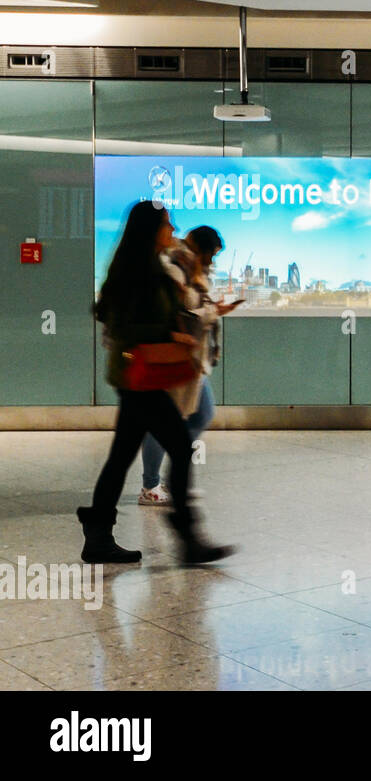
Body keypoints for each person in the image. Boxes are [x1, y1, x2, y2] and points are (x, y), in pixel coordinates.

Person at [80, 201, 234, 565]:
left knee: (121, 457)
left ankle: (98, 532)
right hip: (140, 376)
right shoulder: (140, 272)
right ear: (151, 231)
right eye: (167, 224)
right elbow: (123, 325)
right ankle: (187, 538)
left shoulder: (146, 267)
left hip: (135, 376)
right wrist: (170, 334)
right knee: (180, 447)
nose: (173, 229)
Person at [137, 226, 240, 506]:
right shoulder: (176, 267)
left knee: (201, 414)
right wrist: (212, 311)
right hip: (176, 357)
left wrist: (212, 308)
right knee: (164, 423)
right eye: (212, 254)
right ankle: (151, 486)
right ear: (202, 249)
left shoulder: (189, 266)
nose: (212, 261)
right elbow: (181, 314)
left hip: (193, 360)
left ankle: (173, 481)